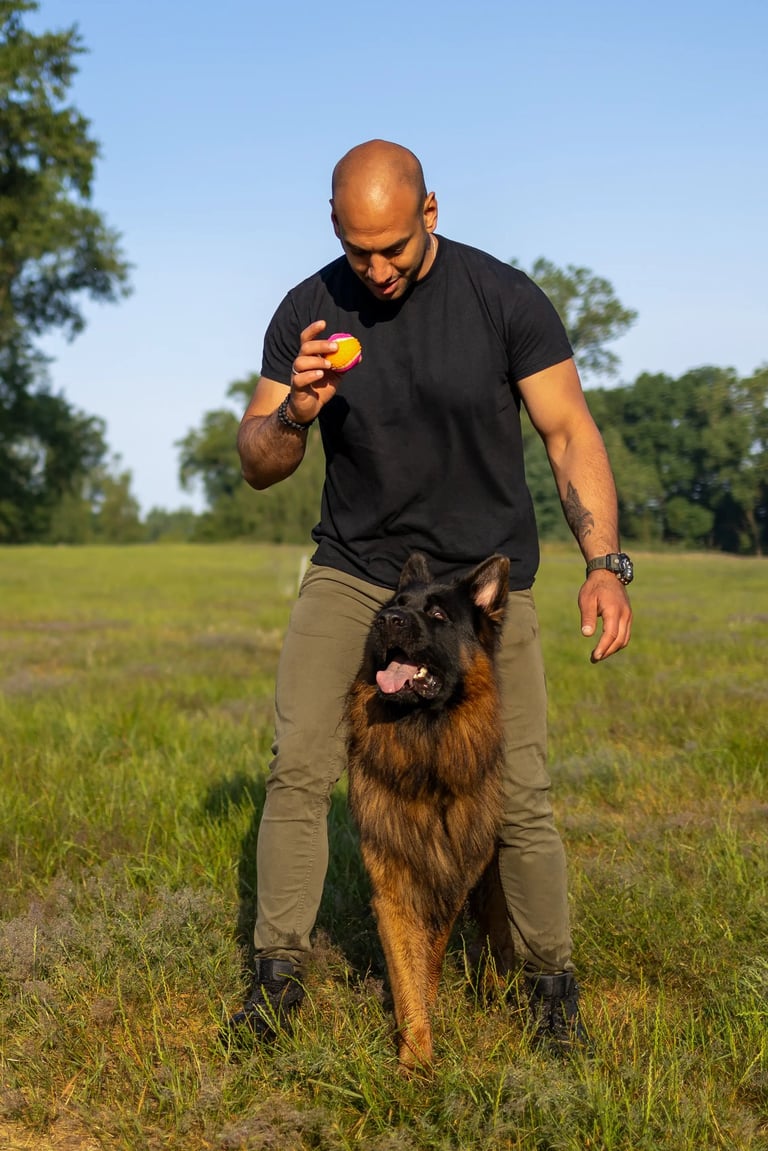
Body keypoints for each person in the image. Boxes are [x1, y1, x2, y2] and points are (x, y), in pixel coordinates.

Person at [228, 139, 632, 1053]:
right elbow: (256, 461)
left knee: (521, 789)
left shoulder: (504, 299)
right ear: (336, 228)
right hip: (358, 569)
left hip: (481, 586)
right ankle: (277, 975)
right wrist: (294, 412)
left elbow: (569, 434)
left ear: (431, 214)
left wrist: (605, 564)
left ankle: (549, 984)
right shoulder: (308, 309)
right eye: (357, 248)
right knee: (298, 766)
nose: (375, 269)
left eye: (394, 249)